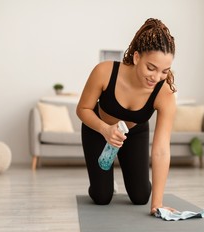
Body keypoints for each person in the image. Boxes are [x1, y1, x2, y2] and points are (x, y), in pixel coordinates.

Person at [76, 18, 177, 215]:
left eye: (164, 71)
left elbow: (162, 150)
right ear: (137, 57)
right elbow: (83, 109)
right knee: (101, 197)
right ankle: (104, 182)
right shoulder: (104, 71)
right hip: (98, 130)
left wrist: (157, 203)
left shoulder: (164, 94)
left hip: (134, 133)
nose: (156, 78)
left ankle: (133, 178)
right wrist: (105, 130)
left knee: (141, 197)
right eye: (151, 68)